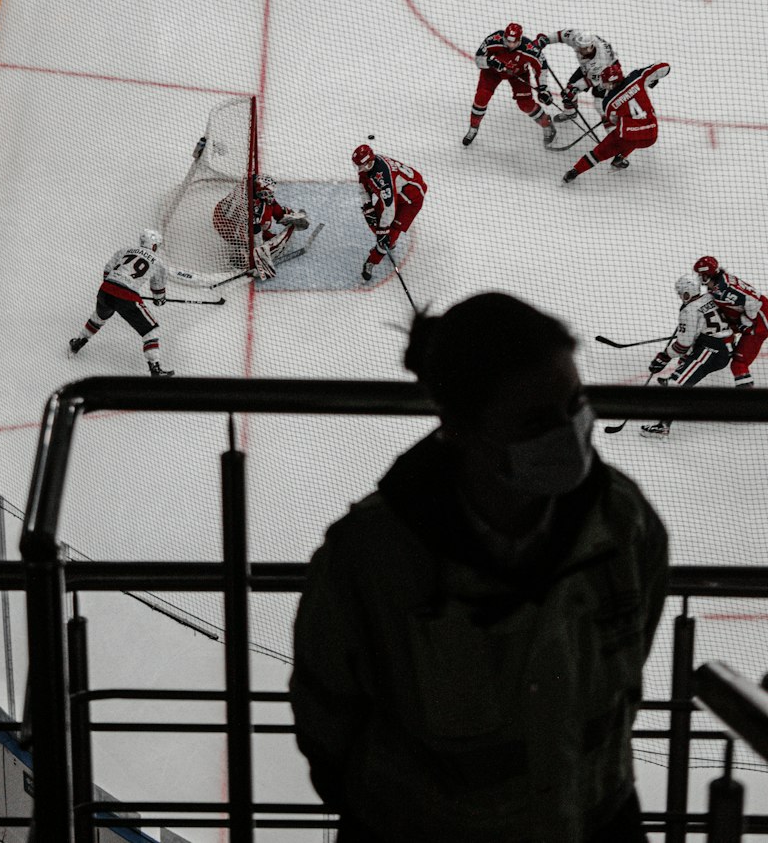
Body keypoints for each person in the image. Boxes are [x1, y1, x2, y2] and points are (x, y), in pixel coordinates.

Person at [291, 293, 668, 843]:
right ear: (462, 427)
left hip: (596, 818)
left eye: (574, 402)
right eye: (537, 419)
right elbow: (328, 713)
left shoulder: (624, 524)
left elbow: (628, 665)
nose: (570, 431)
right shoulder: (373, 558)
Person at [68, 229, 188, 376]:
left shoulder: (125, 250)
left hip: (105, 290)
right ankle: (155, 368)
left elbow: (107, 270)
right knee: (150, 330)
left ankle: (78, 342)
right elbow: (158, 288)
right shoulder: (158, 262)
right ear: (155, 246)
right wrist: (159, 299)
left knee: (99, 317)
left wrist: (115, 285)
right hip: (127, 296)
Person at [642, 274, 734, 436]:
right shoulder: (709, 297)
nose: (680, 297)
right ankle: (679, 383)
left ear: (687, 293)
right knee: (681, 372)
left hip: (711, 351)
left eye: (681, 293)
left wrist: (664, 356)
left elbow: (682, 346)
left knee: (674, 386)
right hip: (722, 345)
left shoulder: (689, 310)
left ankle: (663, 427)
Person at [562, 60, 670, 183]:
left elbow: (613, 121)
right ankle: (619, 159)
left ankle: (574, 172)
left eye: (607, 83)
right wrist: (652, 79)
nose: (604, 85)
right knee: (637, 134)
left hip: (628, 137)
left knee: (599, 152)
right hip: (651, 135)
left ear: (612, 83)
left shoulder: (608, 102)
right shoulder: (637, 77)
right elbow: (664, 67)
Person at [464, 22, 555, 148]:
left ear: (520, 40)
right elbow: (478, 59)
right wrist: (490, 62)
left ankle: (547, 124)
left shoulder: (529, 48)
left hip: (518, 75)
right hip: (492, 72)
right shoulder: (494, 39)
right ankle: (473, 128)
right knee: (481, 97)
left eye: (513, 42)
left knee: (525, 105)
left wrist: (543, 88)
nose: (509, 44)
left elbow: (541, 68)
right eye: (507, 40)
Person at [353, 144, 426, 283]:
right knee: (373, 220)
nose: (359, 169)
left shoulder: (383, 176)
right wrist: (368, 207)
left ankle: (371, 262)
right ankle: (386, 244)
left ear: (369, 162)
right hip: (395, 195)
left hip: (410, 200)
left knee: (389, 235)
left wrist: (383, 232)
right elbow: (364, 188)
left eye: (360, 165)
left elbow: (389, 207)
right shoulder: (367, 167)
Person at [213, 174, 310, 279]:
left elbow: (275, 209)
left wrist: (290, 216)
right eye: (266, 193)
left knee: (269, 230)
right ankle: (244, 256)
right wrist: (256, 250)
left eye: (270, 193)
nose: (269, 196)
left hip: (241, 227)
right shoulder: (247, 206)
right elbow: (249, 230)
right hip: (235, 231)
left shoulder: (261, 197)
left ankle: (250, 253)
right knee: (256, 244)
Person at [693, 255, 768, 388]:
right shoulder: (718, 285)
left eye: (701, 275)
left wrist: (746, 323)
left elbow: (753, 303)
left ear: (708, 275)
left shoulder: (725, 289)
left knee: (739, 363)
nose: (700, 278)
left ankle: (747, 401)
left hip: (760, 321)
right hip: (753, 318)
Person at [541, 27, 619, 114]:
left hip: (609, 71)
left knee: (599, 100)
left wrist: (575, 88)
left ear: (591, 47)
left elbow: (592, 80)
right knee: (568, 91)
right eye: (579, 47)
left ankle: (609, 119)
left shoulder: (600, 61)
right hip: (589, 67)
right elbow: (561, 35)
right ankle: (570, 113)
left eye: (583, 48)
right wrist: (545, 40)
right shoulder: (577, 38)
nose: (579, 50)